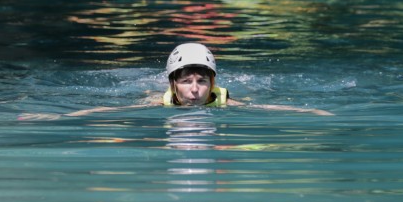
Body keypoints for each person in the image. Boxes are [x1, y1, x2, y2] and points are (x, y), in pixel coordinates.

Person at [19, 43, 332, 118]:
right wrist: (57, 116)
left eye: (201, 81)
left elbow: (267, 107)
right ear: (172, 85)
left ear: (213, 83)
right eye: (186, 82)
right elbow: (108, 111)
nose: (194, 90)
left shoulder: (223, 102)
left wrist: (310, 112)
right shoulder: (158, 101)